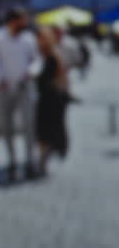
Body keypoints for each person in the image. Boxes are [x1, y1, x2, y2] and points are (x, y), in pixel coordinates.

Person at [0, 8, 40, 181]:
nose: (25, 23)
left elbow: (36, 60)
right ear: (12, 21)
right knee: (6, 126)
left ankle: (30, 161)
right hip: (4, 87)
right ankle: (12, 161)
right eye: (22, 20)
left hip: (24, 86)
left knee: (29, 124)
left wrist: (31, 72)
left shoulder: (28, 38)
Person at [35, 27, 70, 177]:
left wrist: (64, 93)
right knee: (42, 131)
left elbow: (62, 78)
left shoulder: (54, 57)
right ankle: (42, 160)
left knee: (52, 129)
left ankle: (46, 158)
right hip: (41, 99)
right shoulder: (36, 57)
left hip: (52, 99)